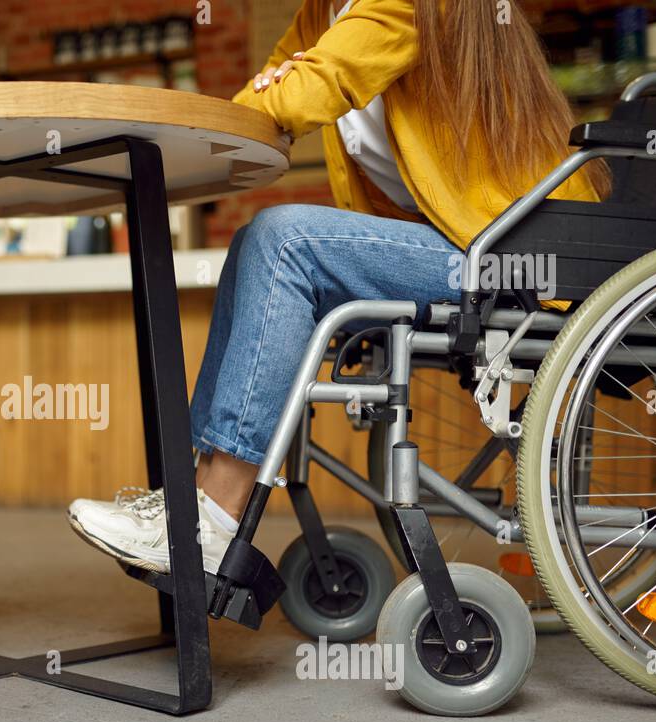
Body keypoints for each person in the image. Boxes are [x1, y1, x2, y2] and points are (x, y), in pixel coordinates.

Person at [68, 0, 605, 573]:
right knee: (256, 241)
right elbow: (265, 98)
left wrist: (292, 81)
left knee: (285, 240)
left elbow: (306, 92)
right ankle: (191, 499)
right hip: (460, 246)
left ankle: (216, 514)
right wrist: (282, 84)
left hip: (519, 254)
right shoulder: (320, 13)